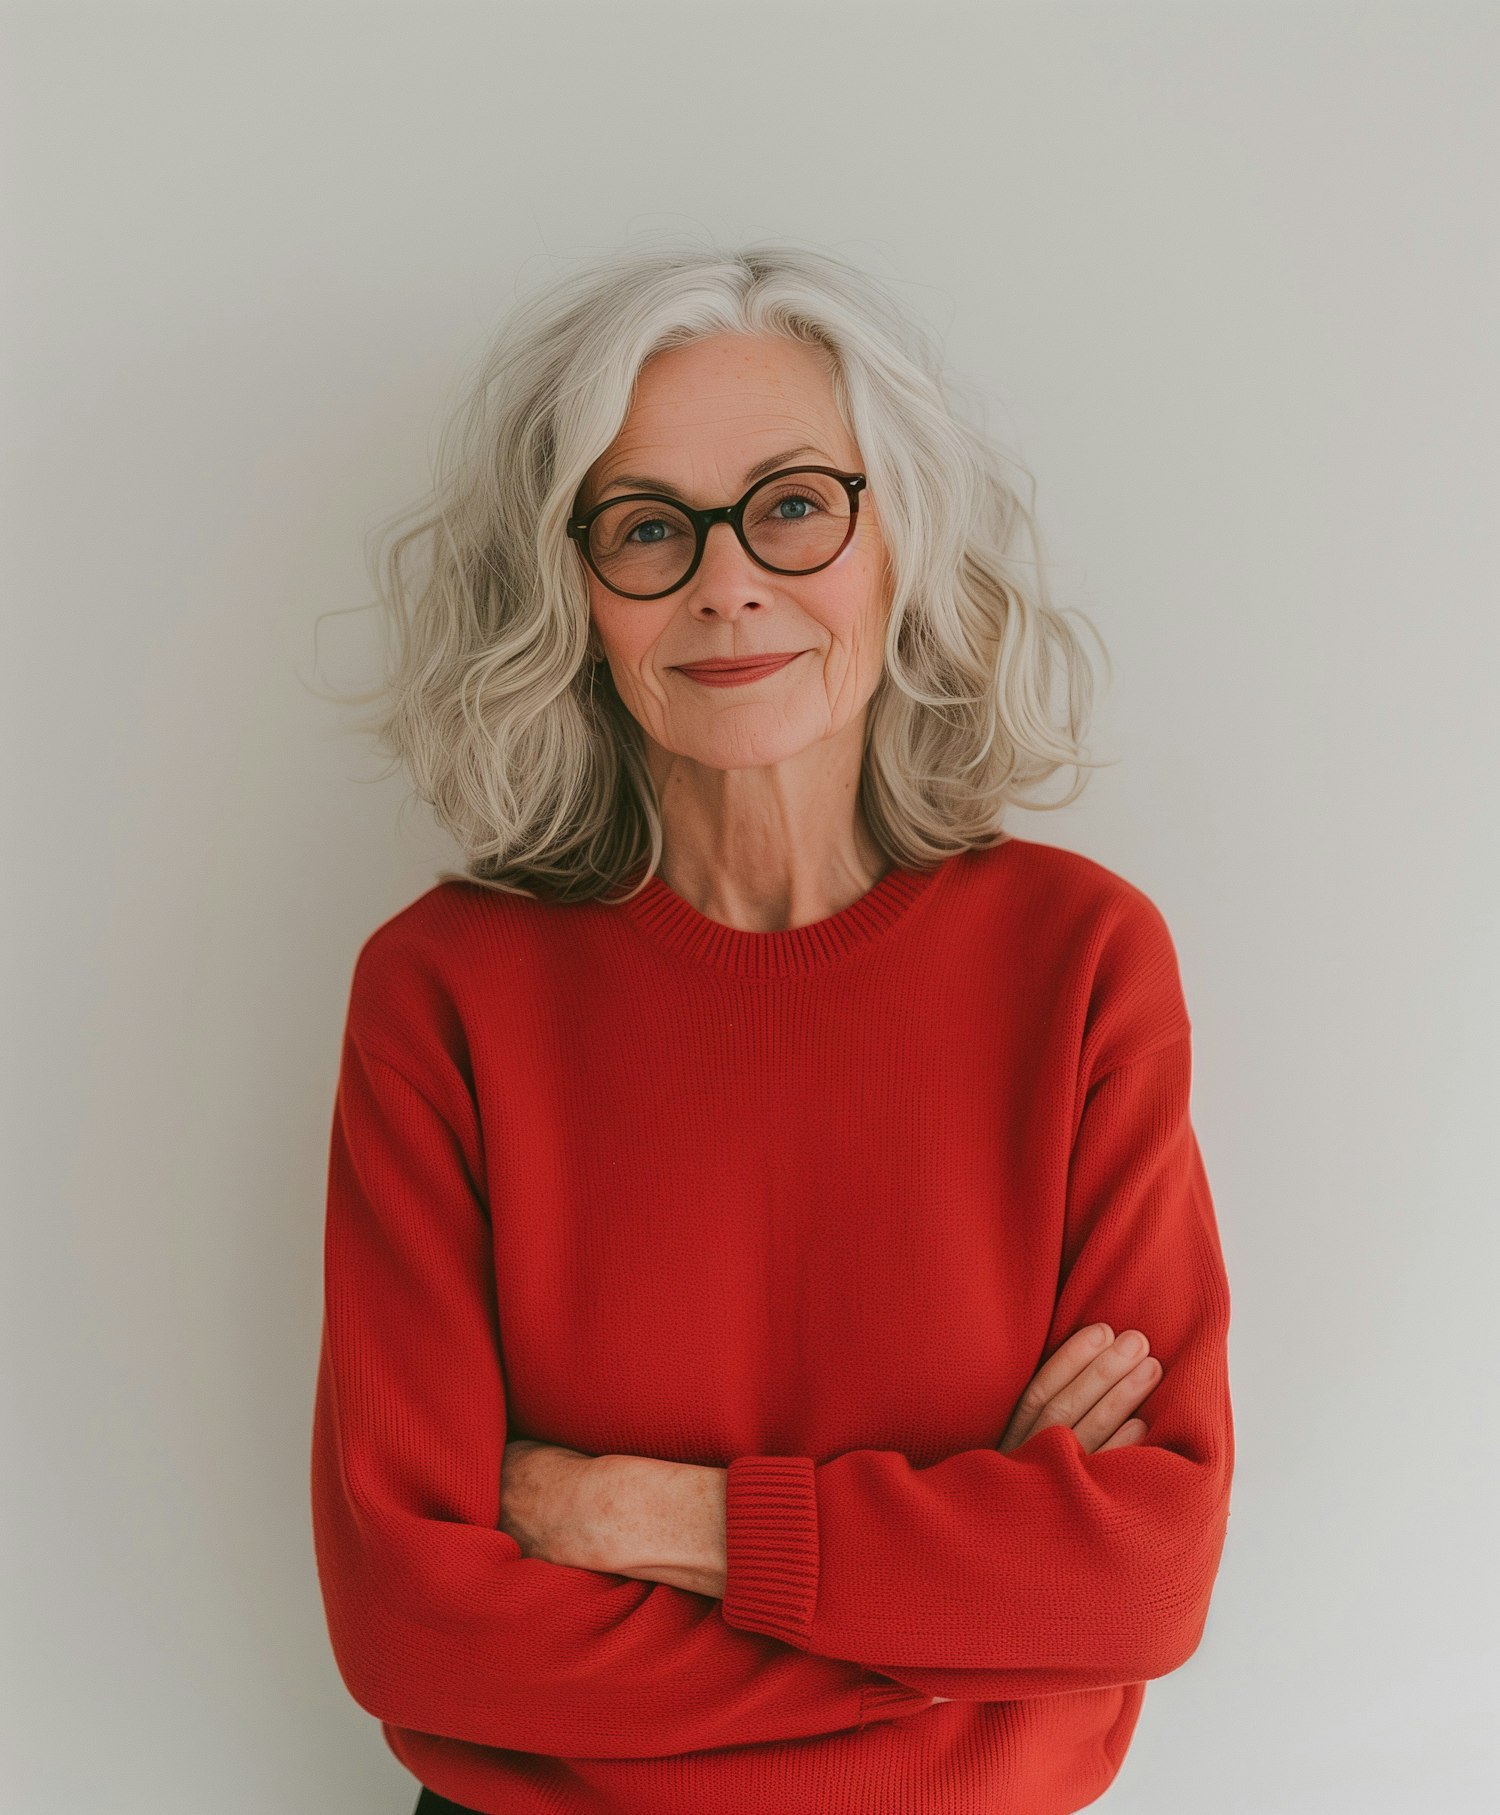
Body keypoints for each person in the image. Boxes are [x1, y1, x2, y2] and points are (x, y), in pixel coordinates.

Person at [310, 239, 1235, 1815]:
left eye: (796, 505)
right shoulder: (448, 991)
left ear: (900, 543)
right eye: (648, 528)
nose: (729, 581)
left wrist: (655, 1521)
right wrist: (963, 1608)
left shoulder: (1079, 961)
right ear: (574, 592)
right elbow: (414, 1626)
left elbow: (1138, 1586)